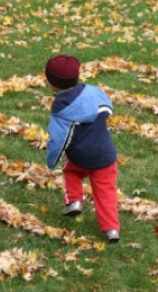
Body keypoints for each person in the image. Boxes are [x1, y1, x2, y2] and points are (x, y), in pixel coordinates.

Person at [45, 54, 120, 242]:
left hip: (79, 157)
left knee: (71, 172)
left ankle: (74, 200)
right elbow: (107, 107)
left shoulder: (60, 109)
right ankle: (111, 229)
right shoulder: (93, 92)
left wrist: (51, 160)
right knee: (106, 191)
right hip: (105, 155)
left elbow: (58, 139)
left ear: (52, 84)